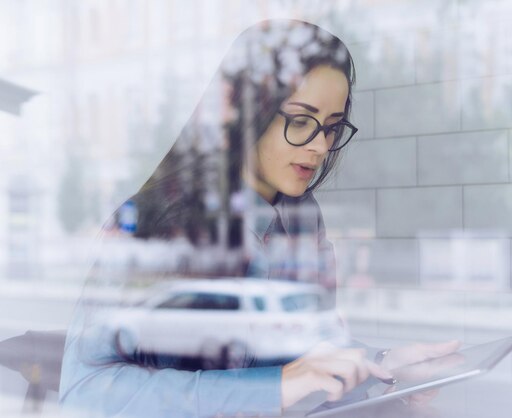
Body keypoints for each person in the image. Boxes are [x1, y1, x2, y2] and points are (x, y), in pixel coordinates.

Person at [59, 19, 459, 417]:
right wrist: (275, 388)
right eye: (301, 121)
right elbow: (83, 392)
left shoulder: (301, 214)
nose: (320, 146)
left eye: (333, 128)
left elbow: (308, 354)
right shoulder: (153, 224)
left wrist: (382, 366)